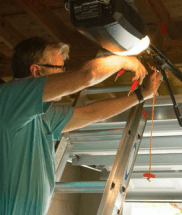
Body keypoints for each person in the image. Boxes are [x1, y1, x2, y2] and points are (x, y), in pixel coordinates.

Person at [0, 37, 162, 215]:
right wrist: (123, 60)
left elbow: (91, 113)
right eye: (60, 68)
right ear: (36, 71)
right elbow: (86, 75)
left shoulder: (43, 115)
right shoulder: (10, 98)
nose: (64, 73)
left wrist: (142, 95)